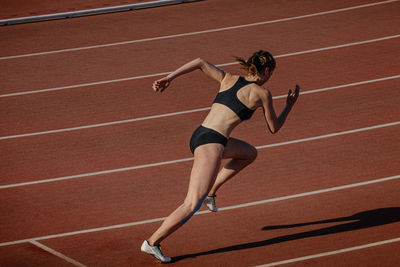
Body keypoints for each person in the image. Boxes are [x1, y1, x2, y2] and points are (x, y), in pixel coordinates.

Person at [141, 50, 300, 263]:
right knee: (191, 203)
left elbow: (199, 61)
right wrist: (289, 106)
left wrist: (169, 78)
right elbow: (274, 128)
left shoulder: (229, 78)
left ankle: (212, 192)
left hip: (201, 134)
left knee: (249, 153)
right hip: (212, 144)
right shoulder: (262, 93)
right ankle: (152, 242)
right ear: (267, 71)